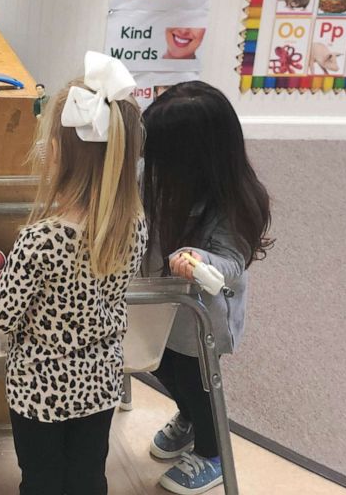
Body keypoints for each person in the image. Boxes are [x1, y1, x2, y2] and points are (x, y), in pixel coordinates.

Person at [0, 51, 147, 495]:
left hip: (40, 390)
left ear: (56, 154)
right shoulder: (132, 221)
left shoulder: (43, 237)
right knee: (87, 478)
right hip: (101, 380)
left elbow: (3, 315)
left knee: (40, 481)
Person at [142, 81, 272, 495]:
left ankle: (213, 450)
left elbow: (232, 263)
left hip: (200, 318)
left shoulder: (232, 202)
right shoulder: (156, 177)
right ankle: (189, 416)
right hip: (160, 303)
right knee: (159, 364)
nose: (151, 161)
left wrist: (196, 260)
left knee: (198, 382)